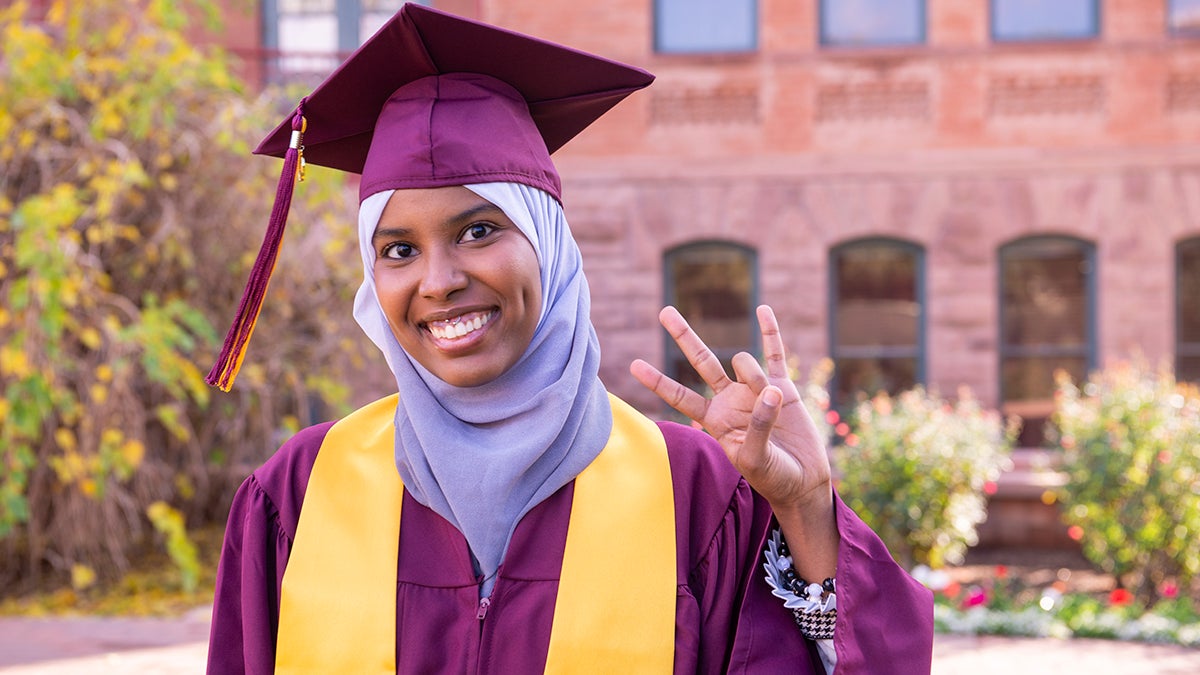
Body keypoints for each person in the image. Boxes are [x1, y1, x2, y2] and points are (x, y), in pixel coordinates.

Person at [205, 4, 933, 673]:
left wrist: (805, 507)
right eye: (397, 250)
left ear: (550, 248)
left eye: (479, 230)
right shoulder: (296, 495)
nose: (437, 280)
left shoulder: (696, 495)